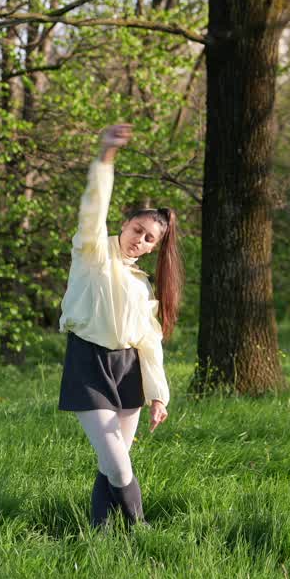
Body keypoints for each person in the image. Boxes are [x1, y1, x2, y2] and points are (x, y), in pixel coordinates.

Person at [57, 123, 182, 528]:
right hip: (89, 364)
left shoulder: (140, 283)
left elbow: (150, 343)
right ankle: (141, 529)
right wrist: (106, 157)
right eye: (137, 230)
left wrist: (158, 394)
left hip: (128, 371)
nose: (140, 241)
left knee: (113, 463)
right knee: (118, 463)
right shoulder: (92, 253)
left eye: (149, 240)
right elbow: (92, 208)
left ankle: (101, 535)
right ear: (125, 224)